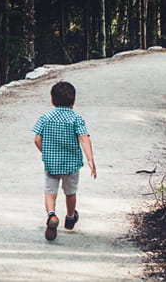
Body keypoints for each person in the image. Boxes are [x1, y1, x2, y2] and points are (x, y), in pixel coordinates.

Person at [32, 80, 97, 241]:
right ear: (73, 101)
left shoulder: (45, 118)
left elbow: (37, 139)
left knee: (50, 192)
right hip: (71, 164)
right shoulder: (76, 119)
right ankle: (69, 217)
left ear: (52, 100)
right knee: (70, 192)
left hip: (51, 163)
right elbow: (84, 138)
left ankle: (52, 215)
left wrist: (46, 152)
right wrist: (90, 159)